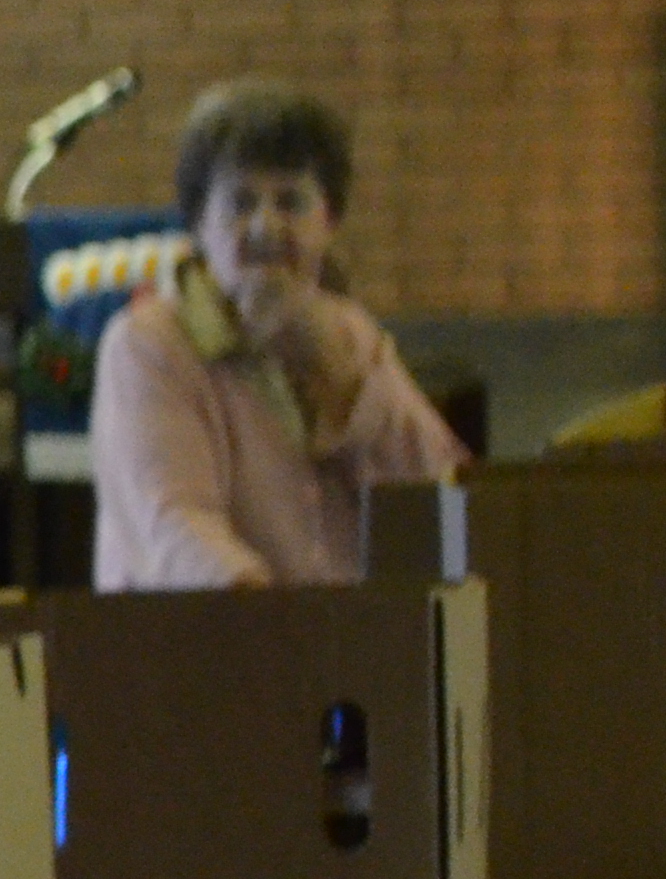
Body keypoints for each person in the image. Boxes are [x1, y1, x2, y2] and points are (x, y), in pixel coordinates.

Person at [91, 80, 465, 588]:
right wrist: (278, 626)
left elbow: (445, 494)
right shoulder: (146, 346)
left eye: (291, 202)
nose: (266, 226)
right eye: (241, 203)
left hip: (344, 643)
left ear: (329, 220)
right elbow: (174, 526)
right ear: (200, 223)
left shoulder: (350, 333)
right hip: (207, 644)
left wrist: (338, 371)